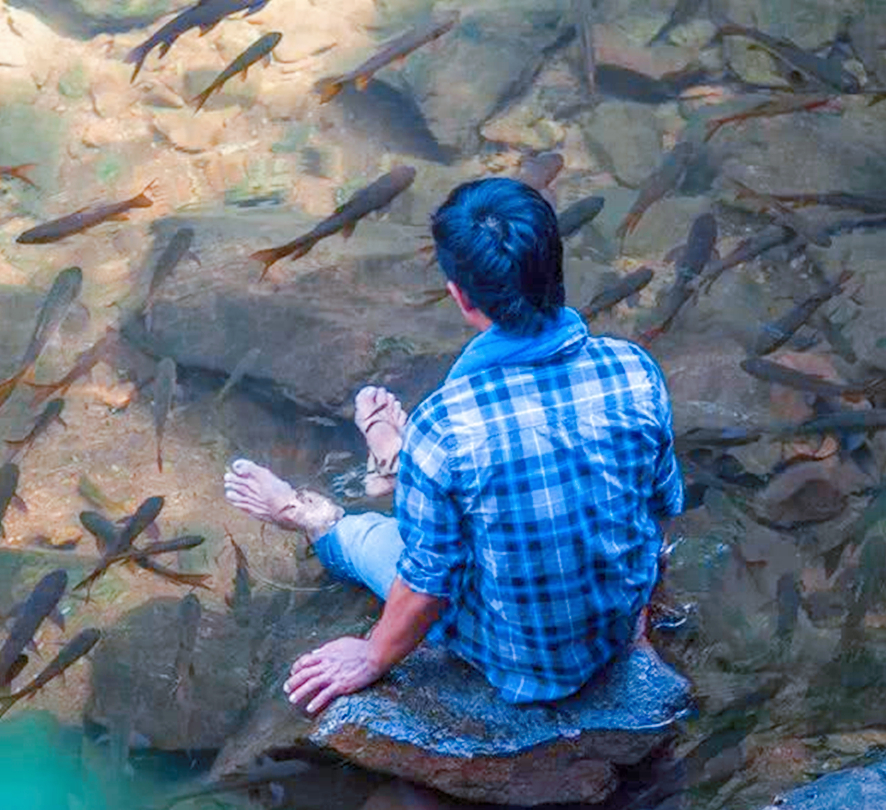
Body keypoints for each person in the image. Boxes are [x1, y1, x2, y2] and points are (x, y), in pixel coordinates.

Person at [223, 177, 684, 715]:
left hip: (524, 664)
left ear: (461, 296)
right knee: (473, 488)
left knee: (368, 536)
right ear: (556, 265)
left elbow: (427, 584)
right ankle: (394, 462)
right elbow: (660, 508)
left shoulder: (447, 422)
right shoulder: (632, 370)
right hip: (615, 632)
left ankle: (311, 514)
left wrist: (372, 655)